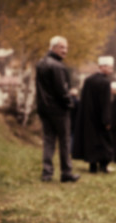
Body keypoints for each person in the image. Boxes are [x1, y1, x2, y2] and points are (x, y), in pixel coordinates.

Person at [35, 36, 80, 183]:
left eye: (66, 48)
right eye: (62, 47)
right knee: (64, 142)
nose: (65, 51)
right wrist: (70, 100)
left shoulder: (40, 63)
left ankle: (46, 174)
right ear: (53, 47)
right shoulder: (58, 66)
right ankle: (66, 173)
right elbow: (61, 91)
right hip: (59, 110)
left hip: (44, 108)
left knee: (48, 141)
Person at [72, 56, 114, 173]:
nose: (112, 70)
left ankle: (92, 166)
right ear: (103, 67)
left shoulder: (88, 80)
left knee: (91, 142)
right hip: (101, 119)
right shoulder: (105, 82)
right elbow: (105, 104)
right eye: (110, 67)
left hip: (88, 118)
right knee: (104, 142)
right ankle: (103, 166)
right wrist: (107, 121)